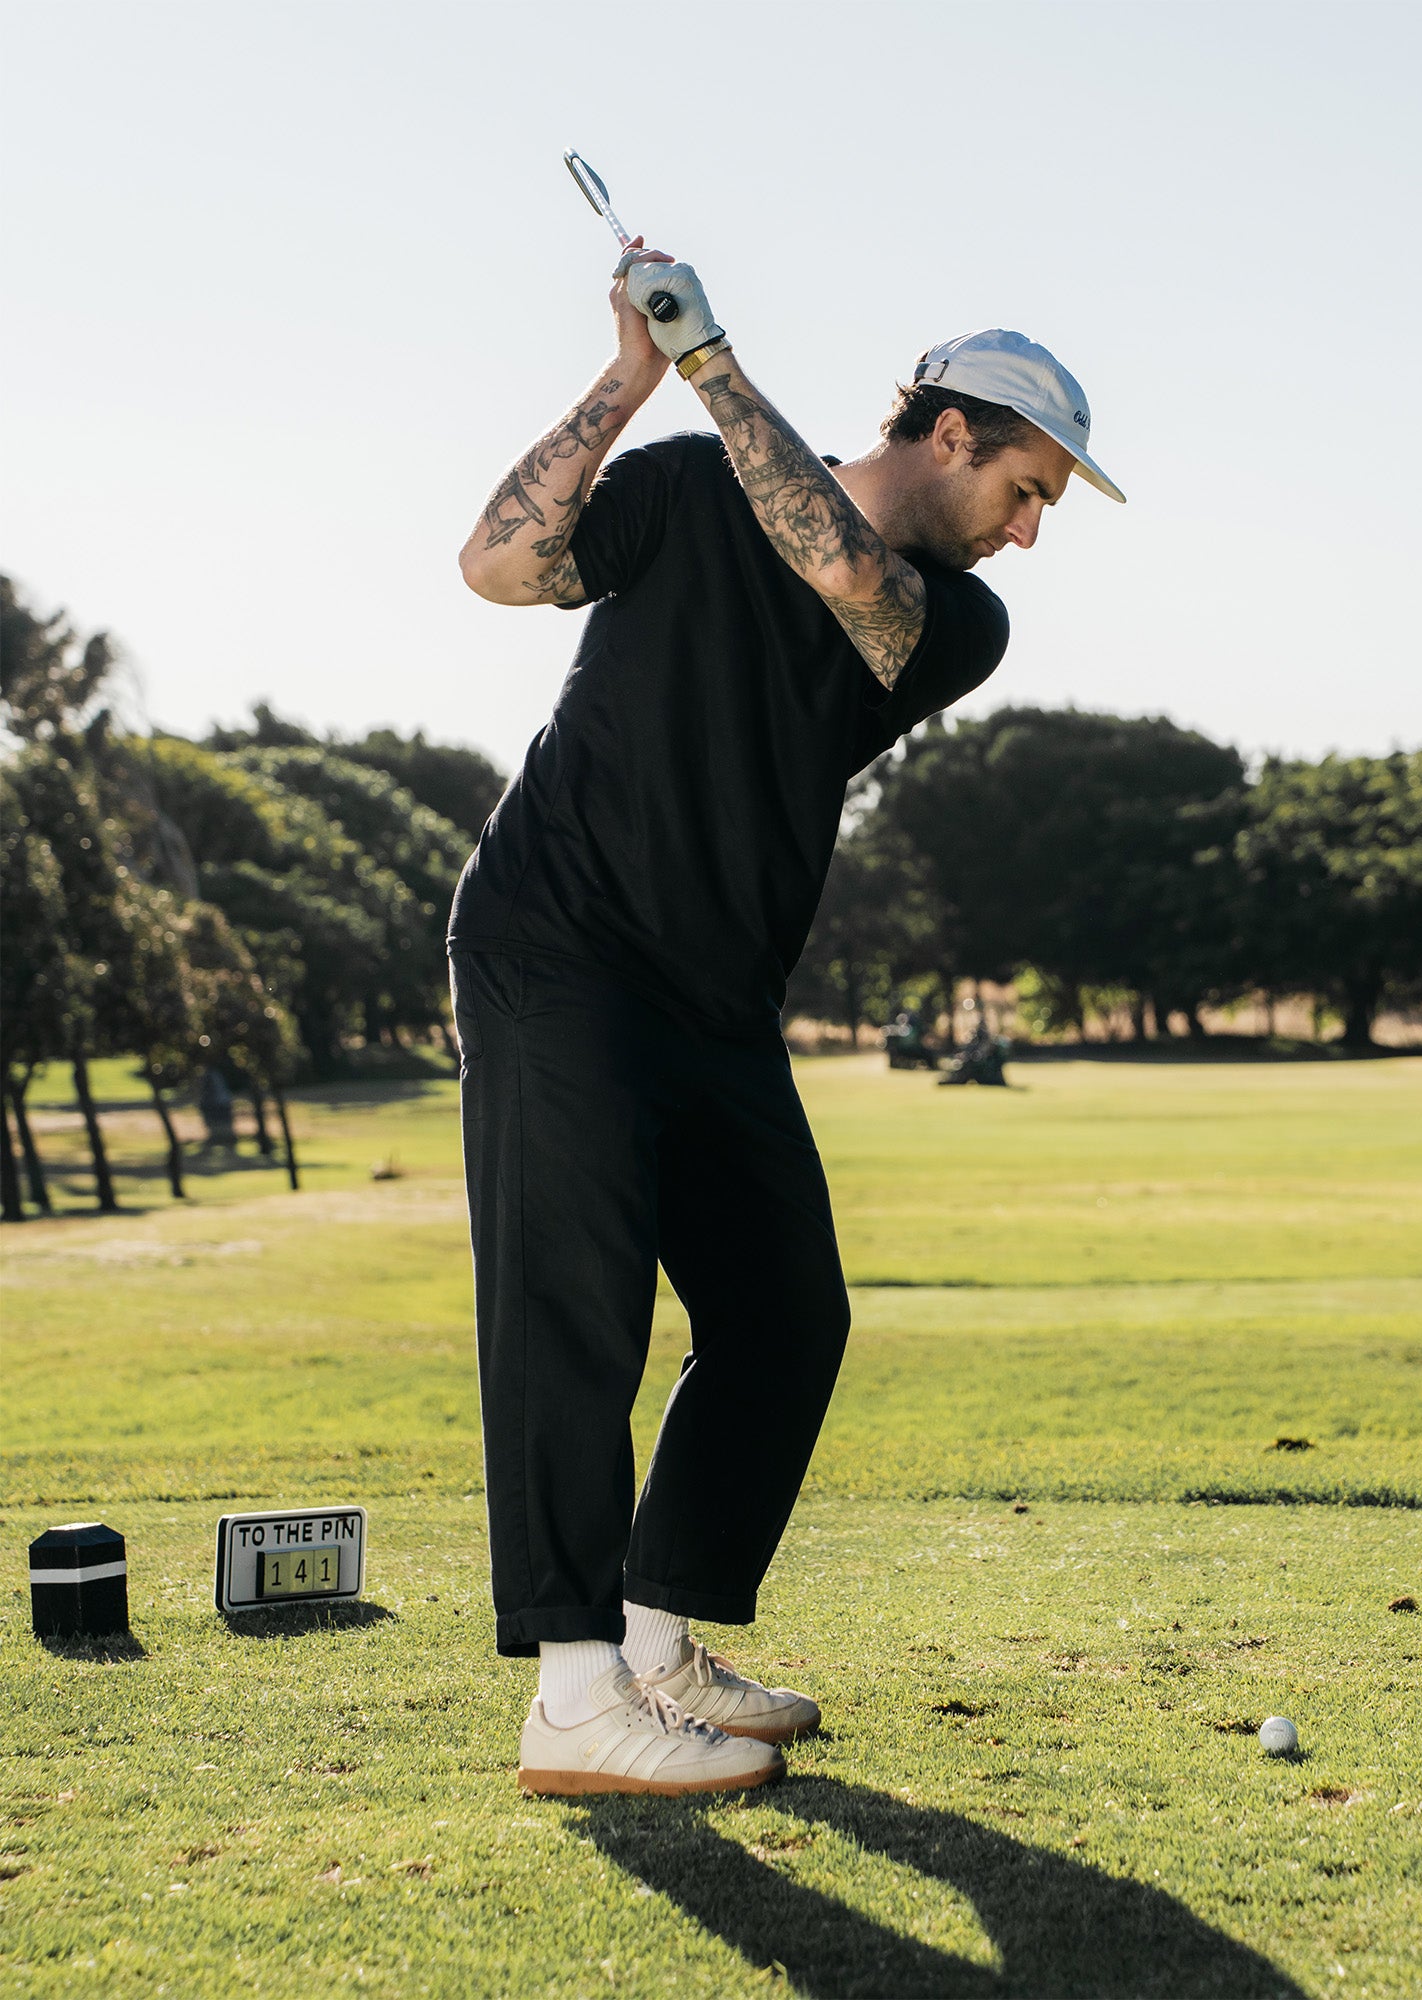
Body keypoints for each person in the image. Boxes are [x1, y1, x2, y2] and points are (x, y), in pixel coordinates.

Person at [450, 237, 1123, 1797]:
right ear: (950, 429)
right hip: (557, 945)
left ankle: (654, 1632)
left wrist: (710, 362)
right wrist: (634, 376)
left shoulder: (952, 618)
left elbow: (841, 574)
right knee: (577, 1303)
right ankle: (572, 1696)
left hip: (713, 990)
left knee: (783, 1314)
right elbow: (498, 566)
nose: (1031, 534)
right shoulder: (687, 483)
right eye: (1027, 489)